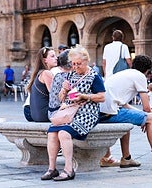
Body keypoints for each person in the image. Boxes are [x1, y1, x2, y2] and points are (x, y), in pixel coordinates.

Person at [99, 55, 152, 171]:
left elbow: (124, 105)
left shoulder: (125, 73)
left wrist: (143, 116)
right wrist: (148, 116)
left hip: (102, 112)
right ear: (147, 71)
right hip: (108, 113)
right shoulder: (140, 76)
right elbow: (146, 107)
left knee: (130, 116)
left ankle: (126, 158)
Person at [41, 45, 105, 181]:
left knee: (64, 133)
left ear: (86, 61)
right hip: (69, 111)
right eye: (73, 64)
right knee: (52, 133)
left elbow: (102, 97)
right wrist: (63, 90)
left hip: (87, 113)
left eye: (78, 64)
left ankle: (68, 170)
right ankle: (52, 169)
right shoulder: (71, 74)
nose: (75, 67)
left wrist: (85, 96)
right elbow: (60, 98)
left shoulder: (94, 76)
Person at [100, 29, 132, 167]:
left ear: (112, 37)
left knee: (110, 105)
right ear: (122, 38)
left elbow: (104, 63)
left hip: (108, 79)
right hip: (120, 78)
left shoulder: (107, 47)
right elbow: (129, 61)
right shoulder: (123, 47)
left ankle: (107, 154)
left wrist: (106, 74)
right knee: (122, 104)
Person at [26, 47, 57, 122]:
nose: (56, 58)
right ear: (44, 60)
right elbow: (55, 95)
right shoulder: (46, 73)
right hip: (45, 115)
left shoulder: (38, 73)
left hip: (36, 115)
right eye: (52, 56)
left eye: (55, 56)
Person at [48, 49, 73, 119]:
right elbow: (73, 98)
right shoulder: (69, 77)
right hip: (60, 113)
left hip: (52, 112)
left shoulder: (58, 75)